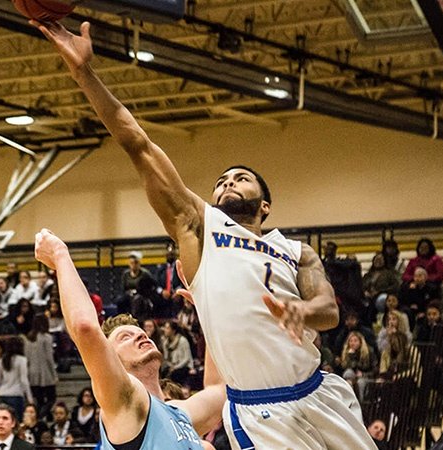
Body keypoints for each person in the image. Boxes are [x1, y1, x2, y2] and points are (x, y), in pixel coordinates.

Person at [35, 20, 375, 450]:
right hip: (261, 409)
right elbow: (137, 143)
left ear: (264, 204)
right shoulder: (201, 226)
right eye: (222, 180)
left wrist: (300, 313)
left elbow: (329, 310)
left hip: (318, 388)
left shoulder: (296, 250)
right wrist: (85, 74)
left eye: (241, 178)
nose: (229, 183)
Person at [34, 229, 225, 450]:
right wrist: (60, 254)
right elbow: (85, 328)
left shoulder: (180, 414)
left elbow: (218, 389)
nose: (140, 335)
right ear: (110, 358)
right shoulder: (126, 399)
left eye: (140, 332)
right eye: (125, 337)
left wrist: (210, 310)